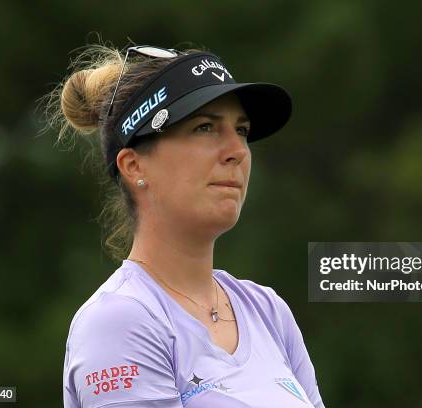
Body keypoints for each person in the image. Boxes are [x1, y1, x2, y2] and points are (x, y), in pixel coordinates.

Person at [49, 42, 325, 407]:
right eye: (205, 127)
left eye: (241, 130)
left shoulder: (268, 310)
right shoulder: (119, 321)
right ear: (134, 166)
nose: (238, 151)